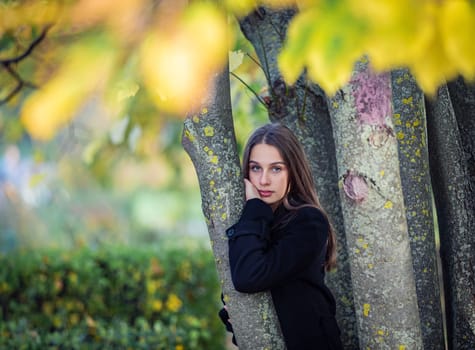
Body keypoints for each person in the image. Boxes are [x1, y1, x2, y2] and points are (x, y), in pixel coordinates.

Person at [219, 123, 343, 350]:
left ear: (293, 172)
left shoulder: (308, 222)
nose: (264, 180)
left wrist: (255, 206)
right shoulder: (254, 219)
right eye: (256, 168)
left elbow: (248, 276)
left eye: (276, 169)